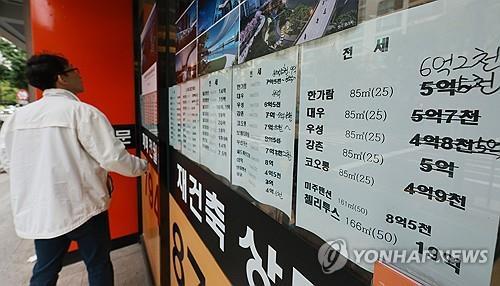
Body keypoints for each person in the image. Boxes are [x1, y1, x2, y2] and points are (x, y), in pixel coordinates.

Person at [0, 53, 147, 286]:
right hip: (84, 209)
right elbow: (113, 158)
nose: (79, 73)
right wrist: (143, 167)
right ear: (61, 78)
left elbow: (8, 163)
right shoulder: (82, 113)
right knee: (98, 265)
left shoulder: (16, 119)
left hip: (43, 211)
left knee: (45, 271)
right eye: (73, 69)